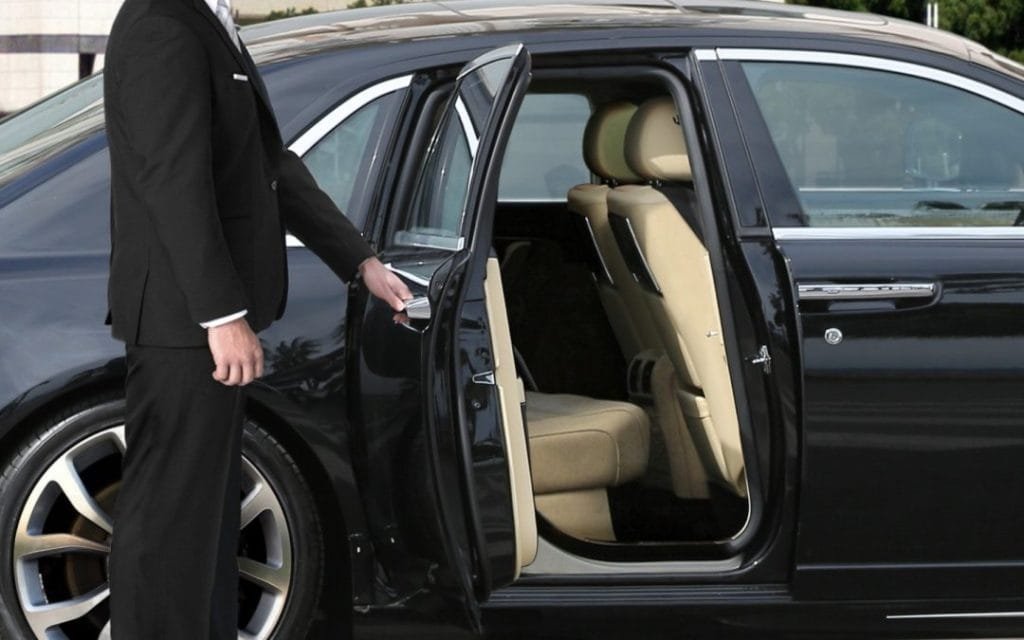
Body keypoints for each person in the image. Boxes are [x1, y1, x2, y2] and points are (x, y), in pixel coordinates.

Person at [102, 0, 412, 637]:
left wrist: (359, 260)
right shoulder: (163, 24)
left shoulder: (204, 19)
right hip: (182, 323)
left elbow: (270, 166)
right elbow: (173, 181)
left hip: (193, 321)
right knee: (170, 522)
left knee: (205, 521)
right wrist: (221, 315)